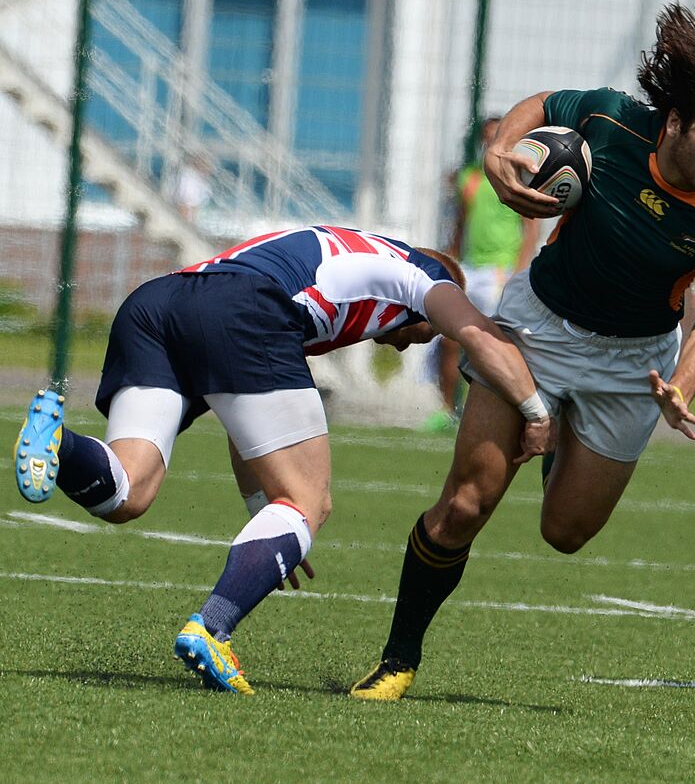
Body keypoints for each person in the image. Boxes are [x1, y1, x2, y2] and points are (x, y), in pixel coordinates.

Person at [348, 3, 695, 701]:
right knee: (467, 503)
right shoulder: (607, 121)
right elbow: (540, 104)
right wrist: (499, 152)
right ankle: (397, 658)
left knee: (565, 532)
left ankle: (563, 425)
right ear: (673, 123)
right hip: (537, 329)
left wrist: (682, 388)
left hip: (636, 363)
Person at [13, 225, 553, 694]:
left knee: (128, 491)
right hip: (241, 308)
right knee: (310, 500)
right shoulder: (423, 276)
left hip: (158, 304)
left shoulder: (336, 260)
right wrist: (535, 412)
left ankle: (59, 444)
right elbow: (483, 337)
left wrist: (266, 516)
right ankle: (212, 629)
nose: (410, 344)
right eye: (423, 331)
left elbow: (247, 420)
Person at [424, 117, 540, 432]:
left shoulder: (518, 178)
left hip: (499, 271)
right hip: (469, 269)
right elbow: (460, 225)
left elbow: (530, 226)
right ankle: (448, 409)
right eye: (487, 138)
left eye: (497, 137)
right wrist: (451, 262)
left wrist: (518, 267)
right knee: (450, 337)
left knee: (492, 342)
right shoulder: (471, 179)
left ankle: (500, 412)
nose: (491, 144)